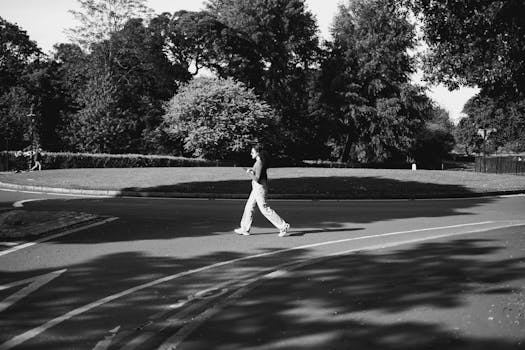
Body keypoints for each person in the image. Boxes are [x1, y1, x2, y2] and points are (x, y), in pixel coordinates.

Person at [234, 144, 291, 237]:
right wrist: (252, 170)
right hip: (257, 188)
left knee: (264, 209)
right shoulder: (258, 162)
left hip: (259, 188)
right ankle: (244, 228)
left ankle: (283, 226)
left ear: (257, 153)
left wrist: (249, 173)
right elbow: (258, 173)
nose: (250, 154)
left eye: (252, 152)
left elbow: (257, 178)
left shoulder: (259, 162)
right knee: (249, 207)